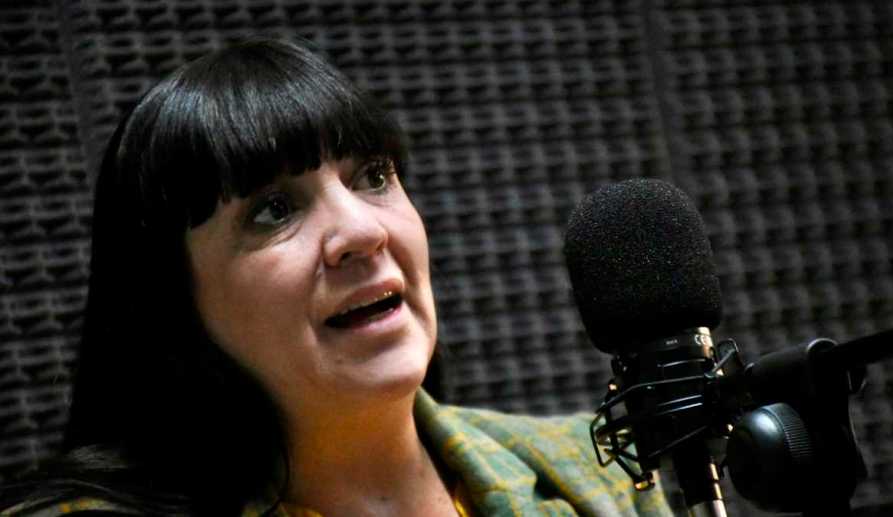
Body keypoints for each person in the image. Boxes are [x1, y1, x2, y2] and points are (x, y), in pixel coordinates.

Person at [1, 37, 673, 516]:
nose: (362, 231)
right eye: (273, 209)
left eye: (373, 176)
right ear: (173, 301)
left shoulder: (599, 471)